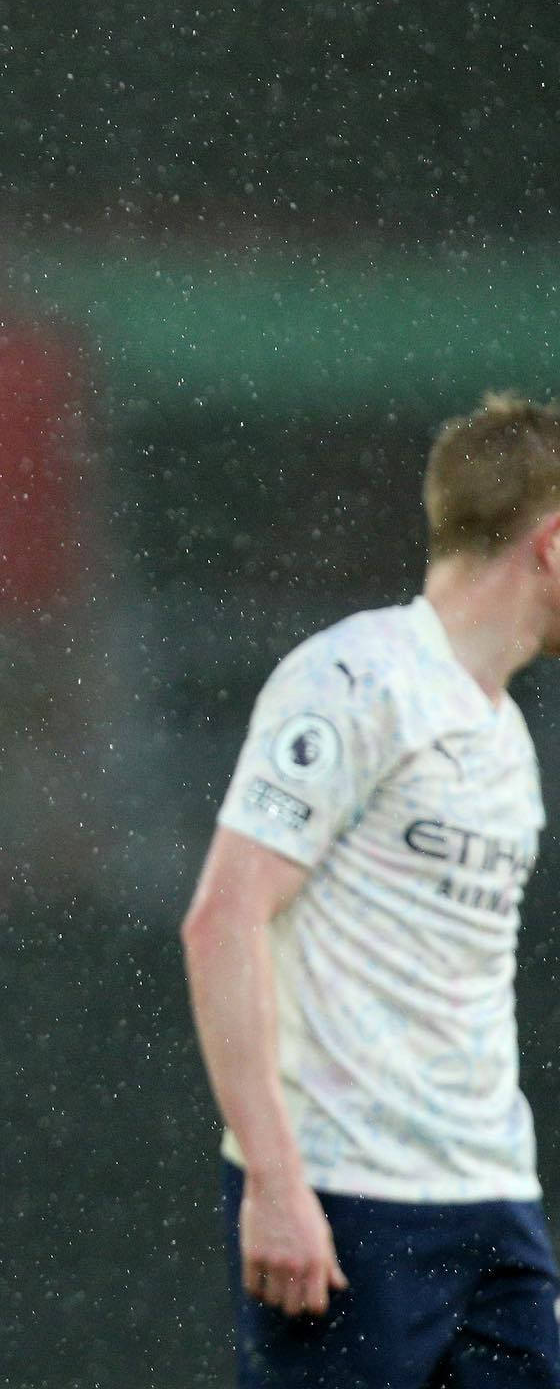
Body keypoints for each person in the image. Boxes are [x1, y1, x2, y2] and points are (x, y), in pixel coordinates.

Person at [182, 393, 560, 1388]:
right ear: (553, 545)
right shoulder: (353, 680)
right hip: (348, 1202)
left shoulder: (505, 735)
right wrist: (273, 1178)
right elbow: (224, 917)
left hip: (493, 1199)